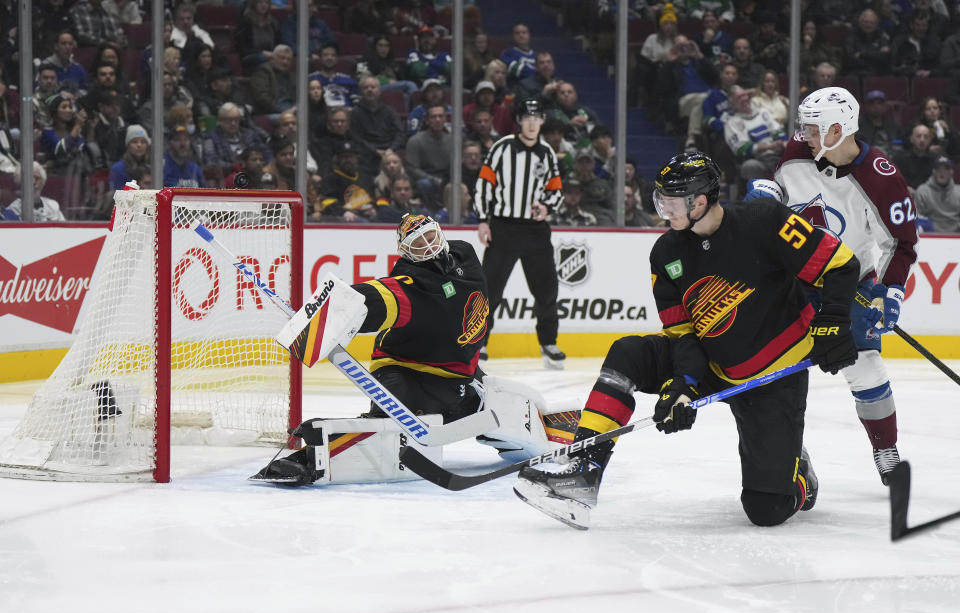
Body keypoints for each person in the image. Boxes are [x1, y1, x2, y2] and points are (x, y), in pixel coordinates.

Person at [514, 151, 862, 530]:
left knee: (767, 510)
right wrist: (683, 384)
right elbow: (683, 335)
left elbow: (841, 264)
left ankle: (796, 468)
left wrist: (833, 323)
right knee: (629, 352)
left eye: (671, 200)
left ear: (700, 200)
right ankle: (585, 469)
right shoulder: (666, 254)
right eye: (660, 199)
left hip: (774, 375)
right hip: (713, 363)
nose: (663, 208)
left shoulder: (764, 221)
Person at [253, 214, 491, 485]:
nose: (427, 245)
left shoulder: (465, 253)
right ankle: (313, 458)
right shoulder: (408, 287)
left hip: (460, 368)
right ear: (406, 252)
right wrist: (320, 316)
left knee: (494, 406)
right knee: (392, 424)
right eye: (417, 242)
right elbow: (368, 298)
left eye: (429, 235)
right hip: (404, 370)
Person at [767, 86, 920, 484]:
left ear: (840, 129)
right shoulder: (795, 153)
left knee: (866, 367)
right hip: (793, 279)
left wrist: (889, 292)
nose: (805, 136)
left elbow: (899, 243)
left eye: (814, 129)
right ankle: (784, 449)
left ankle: (885, 448)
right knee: (774, 367)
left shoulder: (882, 178)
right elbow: (778, 206)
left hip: (848, 281)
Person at [474, 98, 565, 368]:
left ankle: (548, 343)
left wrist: (547, 206)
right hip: (504, 227)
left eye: (537, 118)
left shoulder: (547, 152)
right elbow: (484, 185)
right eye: (527, 118)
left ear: (542, 122)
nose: (532, 123)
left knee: (547, 290)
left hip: (536, 230)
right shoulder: (502, 148)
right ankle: (479, 343)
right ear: (519, 121)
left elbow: (556, 189)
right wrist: (482, 220)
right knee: (490, 289)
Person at [2, 162, 67, 222]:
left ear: (43, 182)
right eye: (29, 178)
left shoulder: (52, 206)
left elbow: (64, 229)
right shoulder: (13, 209)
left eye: (37, 178)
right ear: (20, 182)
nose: (33, 182)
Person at [914, 155, 960, 233]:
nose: (942, 172)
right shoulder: (923, 191)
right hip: (929, 236)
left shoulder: (958, 191)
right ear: (933, 171)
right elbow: (917, 217)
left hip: (956, 236)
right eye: (938, 169)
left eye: (946, 169)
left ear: (951, 172)